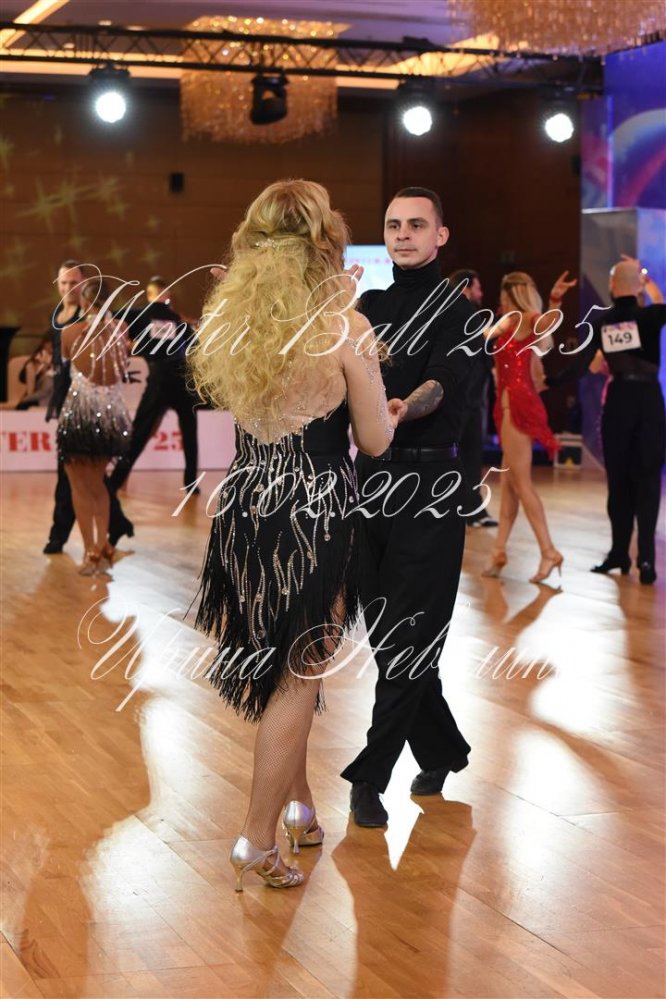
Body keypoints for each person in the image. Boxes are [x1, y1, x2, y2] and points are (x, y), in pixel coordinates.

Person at [188, 179, 396, 891]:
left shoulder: (232, 321)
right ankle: (255, 838)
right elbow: (374, 441)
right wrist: (386, 404)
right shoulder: (345, 325)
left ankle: (301, 806)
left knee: (286, 665)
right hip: (315, 509)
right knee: (298, 674)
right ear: (327, 241)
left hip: (247, 502)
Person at [339, 187, 477, 827]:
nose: (402, 234)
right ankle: (443, 749)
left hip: (431, 487)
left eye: (417, 224)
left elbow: (441, 386)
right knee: (389, 631)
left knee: (411, 633)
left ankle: (370, 775)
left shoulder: (461, 311)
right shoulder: (368, 307)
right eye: (393, 224)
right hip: (371, 481)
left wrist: (398, 408)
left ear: (440, 235)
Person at [558, 259, 665, 584]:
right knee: (647, 481)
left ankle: (619, 552)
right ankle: (645, 559)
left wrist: (551, 381)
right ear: (638, 286)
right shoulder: (650, 315)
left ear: (611, 287)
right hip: (649, 402)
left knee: (618, 481)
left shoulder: (604, 321)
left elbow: (581, 364)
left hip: (618, 402)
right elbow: (660, 304)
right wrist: (647, 281)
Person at [481, 270, 574, 584]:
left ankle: (549, 551)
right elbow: (485, 336)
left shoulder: (524, 319)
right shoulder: (508, 322)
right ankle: (498, 551)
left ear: (510, 294)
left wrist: (555, 299)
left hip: (517, 407)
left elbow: (549, 322)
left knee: (521, 483)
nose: (500, 298)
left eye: (502, 293)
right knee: (509, 485)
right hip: (507, 405)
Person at [44, 260, 134, 553]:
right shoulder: (61, 316)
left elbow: (68, 360)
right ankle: (108, 534)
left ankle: (80, 543)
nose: (67, 288)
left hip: (80, 410)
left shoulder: (73, 328)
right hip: (101, 410)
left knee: (77, 482)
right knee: (93, 479)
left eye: (73, 283)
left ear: (84, 292)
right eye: (63, 283)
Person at [108, 276, 200, 495]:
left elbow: (109, 317)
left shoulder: (140, 314)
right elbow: (195, 344)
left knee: (140, 431)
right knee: (189, 431)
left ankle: (114, 482)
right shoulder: (177, 320)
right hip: (182, 377)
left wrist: (125, 343)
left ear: (149, 294)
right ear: (167, 295)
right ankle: (191, 483)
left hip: (158, 378)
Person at [449, 268, 497, 528]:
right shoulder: (451, 315)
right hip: (455, 401)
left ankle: (474, 511)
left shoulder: (477, 317)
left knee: (472, 457)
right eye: (477, 287)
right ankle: (452, 510)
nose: (481, 293)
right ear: (466, 288)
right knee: (454, 458)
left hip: (473, 401)